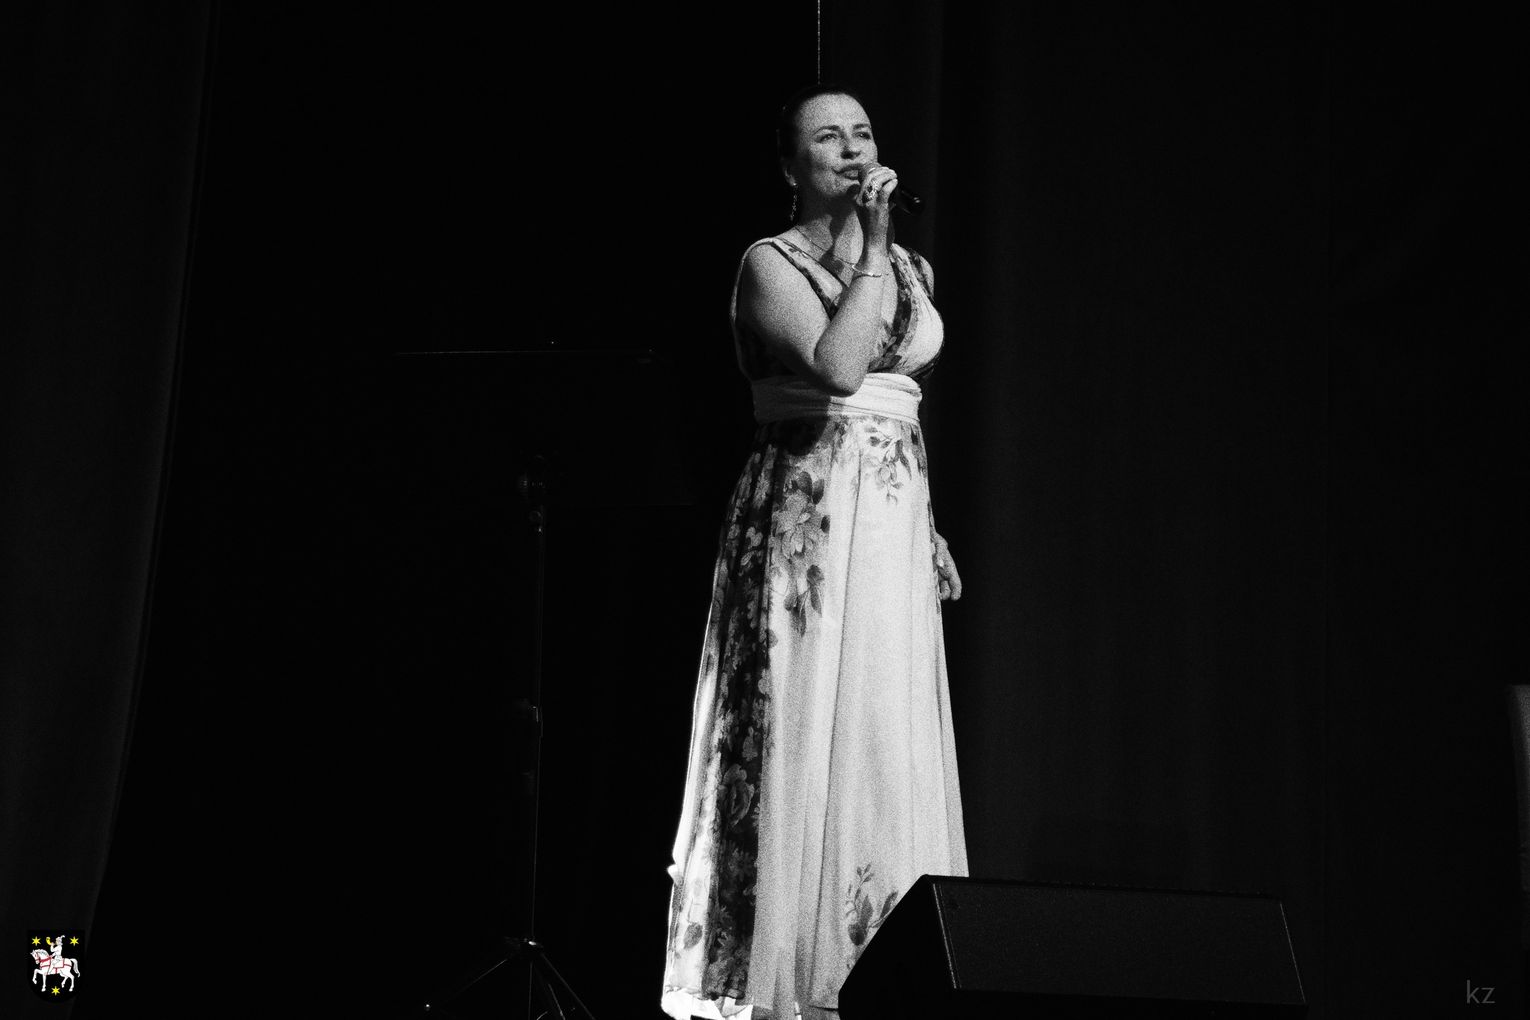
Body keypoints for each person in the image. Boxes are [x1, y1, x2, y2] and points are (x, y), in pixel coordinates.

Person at [662, 84, 968, 1020]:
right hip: (808, 525)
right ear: (790, 166)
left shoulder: (911, 265)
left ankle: (882, 970)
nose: (852, 149)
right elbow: (838, 370)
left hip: (888, 526)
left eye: (862, 133)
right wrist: (870, 249)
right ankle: (792, 983)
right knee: (801, 726)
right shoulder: (771, 264)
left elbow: (896, 407)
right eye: (828, 137)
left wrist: (927, 528)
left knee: (882, 729)